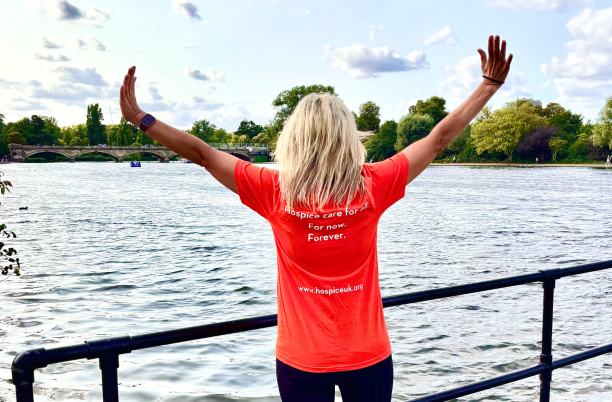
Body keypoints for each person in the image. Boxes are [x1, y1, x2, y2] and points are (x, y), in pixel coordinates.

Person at [119, 35, 512, 402]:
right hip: (369, 355)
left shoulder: (274, 190)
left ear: (296, 137)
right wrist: (487, 87)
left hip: (301, 360)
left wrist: (142, 118)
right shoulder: (374, 184)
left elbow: (202, 153)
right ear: (348, 136)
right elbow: (438, 138)